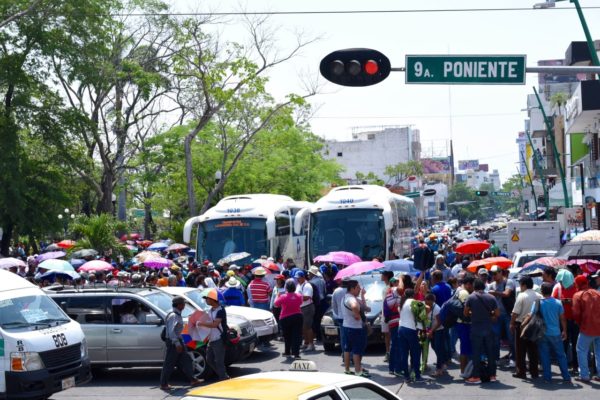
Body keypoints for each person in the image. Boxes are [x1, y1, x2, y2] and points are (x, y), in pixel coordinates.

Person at [159, 296, 202, 390]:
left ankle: (193, 379)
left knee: (186, 360)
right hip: (174, 343)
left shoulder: (177, 314)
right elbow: (171, 332)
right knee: (169, 364)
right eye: (183, 304)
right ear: (179, 305)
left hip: (179, 341)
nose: (184, 305)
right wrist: (177, 344)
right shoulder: (173, 316)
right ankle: (163, 384)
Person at [464, 278, 499, 384]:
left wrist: (473, 314)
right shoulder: (491, 297)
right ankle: (492, 375)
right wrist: (490, 316)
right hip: (488, 329)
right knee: (490, 353)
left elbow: (465, 313)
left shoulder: (470, 297)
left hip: (476, 329)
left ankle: (476, 377)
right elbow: (497, 314)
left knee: (476, 353)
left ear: (474, 286)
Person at [536, 282, 571, 383]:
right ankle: (566, 377)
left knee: (545, 355)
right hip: (555, 333)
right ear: (551, 291)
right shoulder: (558, 303)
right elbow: (563, 319)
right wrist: (564, 330)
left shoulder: (538, 303)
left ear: (542, 291)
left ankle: (547, 378)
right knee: (561, 355)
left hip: (542, 333)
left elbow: (531, 315)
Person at [510, 275, 542, 380]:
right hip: (535, 324)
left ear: (524, 285)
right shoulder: (539, 296)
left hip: (521, 324)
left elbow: (515, 312)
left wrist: (511, 323)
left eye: (520, 283)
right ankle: (534, 372)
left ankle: (521, 372)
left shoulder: (522, 296)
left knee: (520, 350)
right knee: (533, 349)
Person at [196, 288, 229, 381]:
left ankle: (223, 378)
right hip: (211, 339)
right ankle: (222, 375)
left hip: (219, 339)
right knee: (209, 359)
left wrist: (201, 324)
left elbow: (215, 325)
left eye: (207, 298)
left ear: (213, 299)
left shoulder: (220, 310)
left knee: (219, 361)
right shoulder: (210, 310)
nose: (206, 300)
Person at [572, 275, 600, 383]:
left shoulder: (578, 295)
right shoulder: (597, 292)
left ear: (578, 284)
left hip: (587, 328)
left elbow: (576, 314)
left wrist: (580, 324)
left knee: (581, 350)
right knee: (599, 351)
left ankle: (584, 375)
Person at [487, 265, 516, 367]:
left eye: (495, 273)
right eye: (492, 274)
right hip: (496, 315)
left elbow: (507, 294)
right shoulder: (491, 285)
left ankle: (513, 358)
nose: (493, 276)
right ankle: (496, 358)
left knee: (511, 337)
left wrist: (494, 293)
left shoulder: (509, 282)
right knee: (495, 338)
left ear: (500, 272)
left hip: (508, 314)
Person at [552, 269, 579, 374]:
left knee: (576, 344)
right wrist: (561, 302)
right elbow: (553, 302)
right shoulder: (557, 287)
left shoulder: (576, 287)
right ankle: (564, 366)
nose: (561, 283)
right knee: (564, 344)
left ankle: (576, 366)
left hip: (575, 321)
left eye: (563, 280)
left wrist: (572, 301)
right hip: (563, 321)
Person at [342, 280, 370, 377]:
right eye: (358, 287)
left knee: (347, 348)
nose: (359, 289)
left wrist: (362, 295)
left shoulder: (346, 297)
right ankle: (358, 371)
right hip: (354, 327)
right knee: (357, 350)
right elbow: (354, 306)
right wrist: (357, 315)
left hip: (347, 326)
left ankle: (347, 369)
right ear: (352, 288)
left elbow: (364, 306)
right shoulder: (351, 299)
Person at [398, 288, 425, 382]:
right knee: (415, 353)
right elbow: (424, 310)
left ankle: (406, 376)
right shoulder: (414, 302)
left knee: (404, 354)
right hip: (411, 329)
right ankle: (417, 376)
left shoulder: (402, 303)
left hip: (401, 329)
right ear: (413, 295)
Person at [274, 279, 303, 359]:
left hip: (285, 318)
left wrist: (278, 295)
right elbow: (300, 303)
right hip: (297, 316)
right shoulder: (299, 296)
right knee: (296, 335)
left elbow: (276, 304)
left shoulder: (283, 296)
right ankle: (296, 353)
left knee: (287, 336)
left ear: (286, 288)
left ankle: (287, 352)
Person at [295, 270, 316, 352]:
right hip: (301, 308)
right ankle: (306, 343)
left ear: (303, 277)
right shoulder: (298, 285)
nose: (297, 279)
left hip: (307, 308)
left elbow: (307, 297)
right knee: (303, 327)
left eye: (299, 278)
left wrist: (296, 298)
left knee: (308, 327)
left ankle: (311, 344)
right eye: (297, 278)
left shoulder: (307, 286)